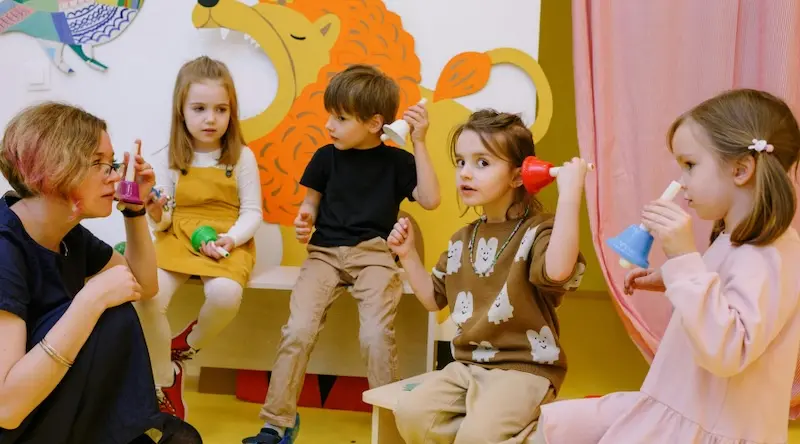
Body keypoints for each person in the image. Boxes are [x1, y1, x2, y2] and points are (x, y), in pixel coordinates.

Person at [532, 89, 800, 444]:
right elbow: (722, 295)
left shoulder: (766, 252)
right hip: (681, 407)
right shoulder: (740, 239)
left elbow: (727, 350)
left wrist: (684, 260)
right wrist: (670, 277)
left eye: (690, 165)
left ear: (740, 169)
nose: (681, 180)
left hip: (705, 427)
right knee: (549, 425)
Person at [242, 64, 440, 444]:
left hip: (375, 255)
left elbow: (430, 199)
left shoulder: (398, 162)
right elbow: (309, 205)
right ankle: (276, 424)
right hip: (324, 254)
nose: (330, 125)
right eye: (330, 115)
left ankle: (391, 431)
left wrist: (419, 141)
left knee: (376, 336)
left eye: (341, 118)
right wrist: (305, 220)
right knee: (297, 330)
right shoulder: (324, 156)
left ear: (374, 123)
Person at [0, 102, 201, 443]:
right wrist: (89, 302)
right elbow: (7, 409)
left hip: (57, 410)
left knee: (115, 309)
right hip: (18, 424)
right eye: (98, 164)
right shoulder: (5, 248)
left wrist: (134, 211)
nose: (114, 175)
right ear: (53, 168)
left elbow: (144, 285)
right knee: (104, 311)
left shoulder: (67, 235)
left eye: (112, 163)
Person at [387, 109, 588, 444]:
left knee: (476, 438)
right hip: (468, 365)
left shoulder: (539, 230)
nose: (466, 173)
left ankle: (523, 430)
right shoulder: (461, 239)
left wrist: (569, 196)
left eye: (482, 163)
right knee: (410, 415)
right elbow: (432, 299)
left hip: (525, 368)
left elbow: (558, 271)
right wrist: (408, 255)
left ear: (517, 176)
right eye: (461, 162)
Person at [135, 55, 262, 420]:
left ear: (231, 113)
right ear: (182, 111)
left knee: (224, 294)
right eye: (200, 108)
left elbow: (252, 212)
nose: (210, 118)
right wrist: (157, 213)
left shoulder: (241, 157)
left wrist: (231, 239)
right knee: (148, 297)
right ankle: (164, 378)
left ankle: (183, 348)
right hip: (179, 234)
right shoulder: (171, 157)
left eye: (220, 109)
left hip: (225, 236)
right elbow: (164, 220)